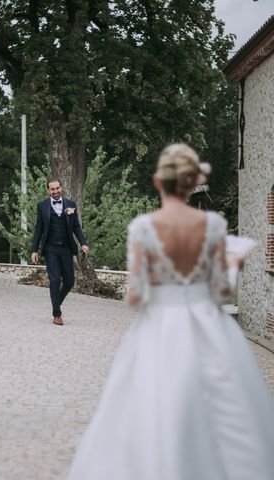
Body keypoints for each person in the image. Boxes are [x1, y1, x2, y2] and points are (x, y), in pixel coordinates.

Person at [67, 143, 274, 479]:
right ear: (193, 184)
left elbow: (135, 296)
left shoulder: (144, 228)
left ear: (157, 181)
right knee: (228, 413)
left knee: (148, 408)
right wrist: (233, 262)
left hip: (159, 327)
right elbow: (221, 291)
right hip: (209, 325)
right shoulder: (213, 226)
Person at [30, 179, 89, 325]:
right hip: (51, 248)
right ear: (48, 190)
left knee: (69, 281)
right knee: (55, 280)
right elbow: (39, 229)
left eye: (57, 188)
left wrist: (83, 243)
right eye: (52, 189)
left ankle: (56, 303)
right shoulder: (42, 206)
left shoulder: (71, 205)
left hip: (66, 248)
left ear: (61, 188)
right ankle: (57, 314)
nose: (55, 191)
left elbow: (76, 226)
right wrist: (34, 250)